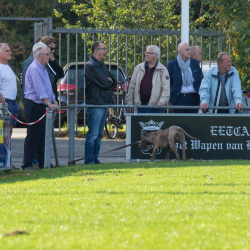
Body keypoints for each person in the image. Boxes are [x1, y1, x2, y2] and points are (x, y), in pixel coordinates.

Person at [22, 42, 60, 171]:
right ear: (39, 56)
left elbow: (48, 88)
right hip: (34, 106)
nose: (49, 56)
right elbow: (40, 90)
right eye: (47, 54)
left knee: (42, 137)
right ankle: (27, 164)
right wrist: (49, 103)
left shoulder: (43, 68)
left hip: (42, 105)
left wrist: (54, 100)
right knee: (33, 136)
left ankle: (44, 163)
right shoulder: (34, 68)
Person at [84, 41, 116, 164]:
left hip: (103, 103)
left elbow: (113, 81)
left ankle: (95, 158)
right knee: (92, 134)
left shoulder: (102, 65)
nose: (106, 51)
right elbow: (105, 82)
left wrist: (110, 81)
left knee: (98, 134)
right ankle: (89, 160)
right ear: (96, 51)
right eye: (103, 49)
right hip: (95, 104)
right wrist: (109, 81)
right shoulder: (91, 66)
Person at [126, 45, 170, 113]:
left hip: (155, 107)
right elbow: (132, 87)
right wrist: (130, 102)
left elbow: (166, 88)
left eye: (149, 53)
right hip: (139, 107)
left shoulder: (163, 70)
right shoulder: (138, 68)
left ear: (156, 55)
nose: (146, 54)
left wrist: (162, 101)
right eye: (146, 52)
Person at [167, 43, 203, 113]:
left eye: (189, 49)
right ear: (180, 52)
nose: (189, 51)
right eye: (186, 50)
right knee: (180, 122)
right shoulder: (172, 64)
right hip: (179, 98)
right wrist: (171, 97)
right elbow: (168, 82)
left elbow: (199, 79)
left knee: (193, 122)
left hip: (194, 97)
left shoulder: (194, 63)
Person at [0, 43, 19, 137]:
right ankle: (2, 152)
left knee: (8, 134)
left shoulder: (8, 67)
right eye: (7, 51)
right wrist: (3, 103)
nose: (10, 52)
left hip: (12, 102)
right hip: (4, 103)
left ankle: (7, 152)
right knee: (3, 134)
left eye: (10, 50)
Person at [41, 36, 64, 102]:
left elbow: (61, 74)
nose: (53, 51)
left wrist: (53, 60)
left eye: (54, 49)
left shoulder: (51, 61)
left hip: (52, 97)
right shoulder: (40, 63)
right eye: (51, 49)